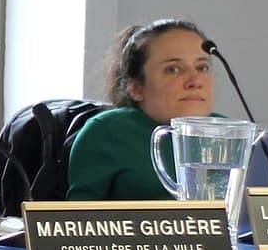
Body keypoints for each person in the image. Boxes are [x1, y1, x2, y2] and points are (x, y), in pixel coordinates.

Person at [65, 18, 215, 200]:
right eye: (173, 69)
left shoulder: (229, 134)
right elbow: (77, 221)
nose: (195, 81)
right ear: (136, 88)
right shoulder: (108, 132)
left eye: (202, 67)